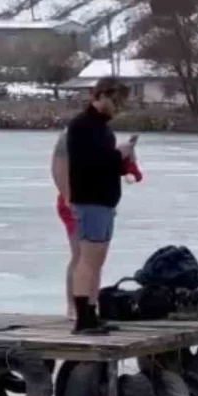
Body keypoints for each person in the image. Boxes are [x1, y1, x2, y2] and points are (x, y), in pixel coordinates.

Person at [66, 77, 136, 335]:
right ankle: (82, 317)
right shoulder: (82, 125)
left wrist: (124, 160)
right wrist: (119, 153)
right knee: (88, 259)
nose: (118, 107)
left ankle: (91, 313)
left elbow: (106, 165)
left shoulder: (103, 129)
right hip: (90, 200)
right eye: (116, 101)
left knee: (97, 261)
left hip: (104, 201)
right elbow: (91, 162)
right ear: (102, 96)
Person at [51, 129, 80, 317]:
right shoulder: (69, 135)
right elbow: (57, 169)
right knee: (79, 255)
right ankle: (72, 305)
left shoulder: (99, 132)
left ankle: (86, 303)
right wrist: (69, 198)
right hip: (73, 203)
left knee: (91, 258)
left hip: (93, 203)